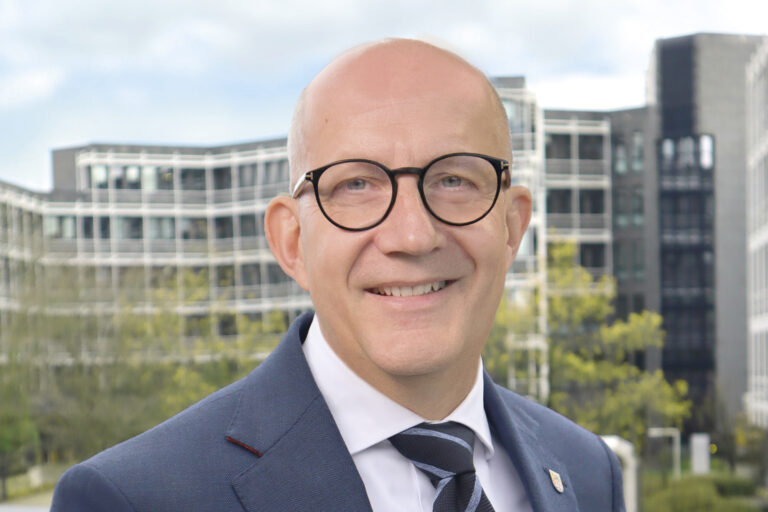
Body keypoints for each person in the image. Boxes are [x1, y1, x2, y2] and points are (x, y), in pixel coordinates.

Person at [51, 39, 625, 511]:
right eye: (357, 185)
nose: (411, 236)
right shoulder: (133, 499)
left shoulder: (586, 471)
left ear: (511, 225)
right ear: (292, 242)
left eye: (454, 179)